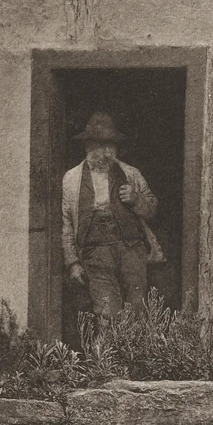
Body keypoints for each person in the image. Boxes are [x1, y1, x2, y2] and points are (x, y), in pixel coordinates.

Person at [61, 112, 160, 317]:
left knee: (137, 311)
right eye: (99, 146)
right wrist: (72, 262)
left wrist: (136, 200)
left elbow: (152, 208)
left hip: (131, 251)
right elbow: (68, 225)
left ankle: (137, 350)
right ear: (88, 147)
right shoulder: (71, 180)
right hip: (96, 255)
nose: (105, 153)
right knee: (107, 313)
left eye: (110, 146)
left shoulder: (131, 173)